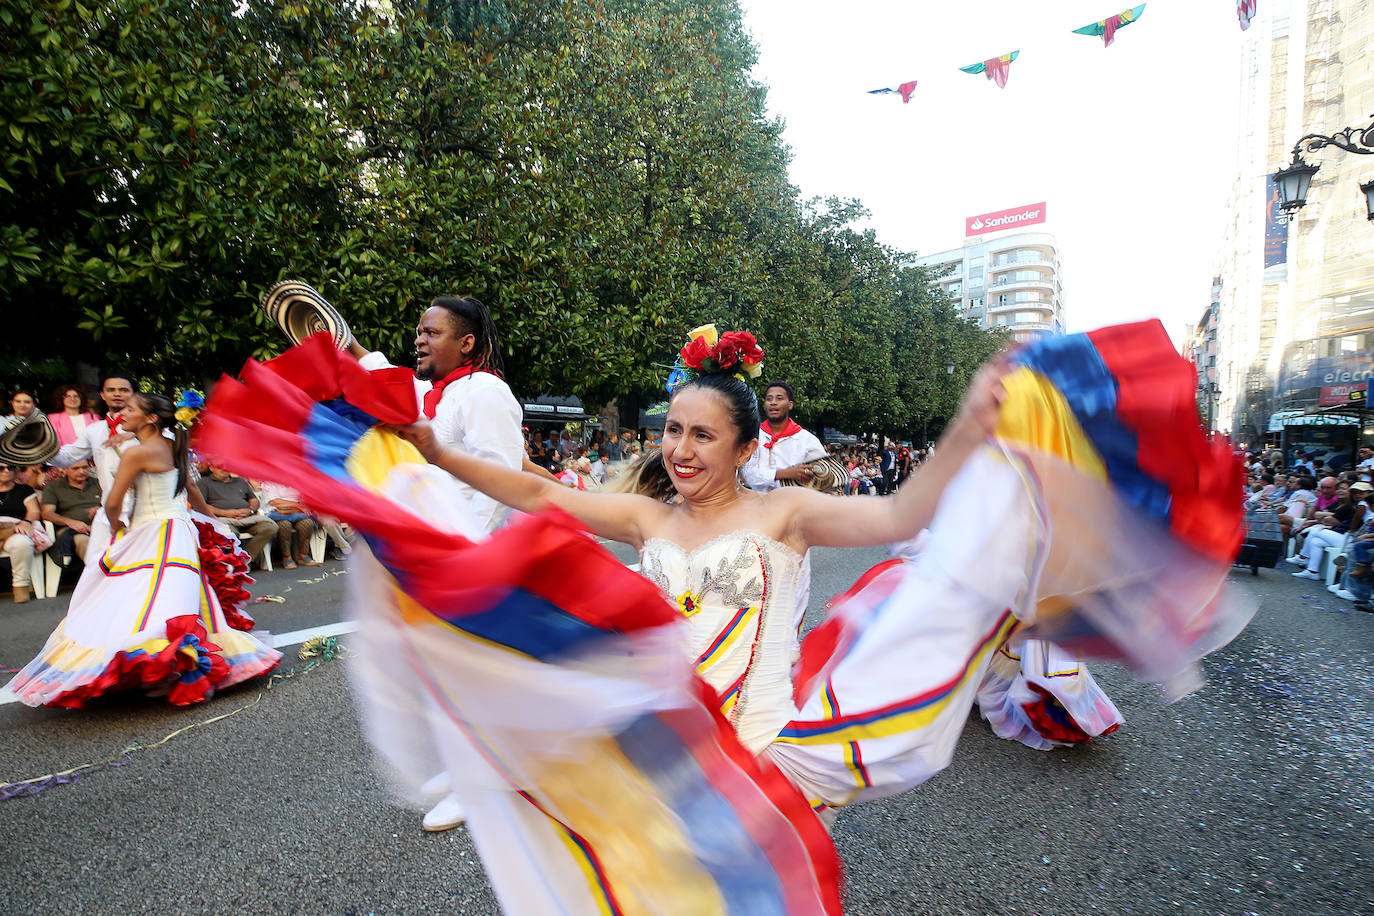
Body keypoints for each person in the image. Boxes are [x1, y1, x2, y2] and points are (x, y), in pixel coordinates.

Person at [348, 294, 525, 833]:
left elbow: (497, 477)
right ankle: (465, 762)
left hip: (472, 554)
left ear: (466, 343)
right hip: (425, 554)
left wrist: (459, 556)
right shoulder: (429, 392)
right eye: (419, 331)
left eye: (432, 332)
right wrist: (348, 343)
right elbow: (386, 387)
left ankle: (482, 778)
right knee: (440, 668)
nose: (419, 340)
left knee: (475, 670)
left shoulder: (486, 392)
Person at [5, 393, 280, 707]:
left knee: (145, 600)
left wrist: (118, 528)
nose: (123, 413)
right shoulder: (174, 443)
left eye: (131, 409)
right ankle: (177, 664)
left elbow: (112, 503)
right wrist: (212, 518)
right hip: (181, 529)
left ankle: (164, 666)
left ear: (150, 418)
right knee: (178, 599)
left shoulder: (137, 453)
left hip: (153, 532)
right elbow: (190, 488)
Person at [48, 374, 137, 563]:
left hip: (142, 509)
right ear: (102, 395)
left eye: (123, 390)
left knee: (138, 566)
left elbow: (169, 450)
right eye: (111, 390)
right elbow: (66, 457)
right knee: (95, 564)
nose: (117, 394)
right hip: (108, 509)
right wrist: (40, 446)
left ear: (134, 394)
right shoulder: (95, 430)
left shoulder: (148, 426)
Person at [741, 381, 827, 492]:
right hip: (757, 504)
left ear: (790, 405)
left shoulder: (807, 440)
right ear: (764, 405)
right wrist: (784, 474)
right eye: (769, 399)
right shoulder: (753, 436)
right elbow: (748, 475)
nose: (773, 403)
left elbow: (823, 475)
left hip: (794, 505)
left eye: (779, 398)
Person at [197, 466, 278, 567]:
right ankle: (233, 561)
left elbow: (254, 499)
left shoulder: (240, 481)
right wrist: (225, 513)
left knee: (270, 527)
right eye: (220, 466)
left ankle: (246, 558)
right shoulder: (204, 482)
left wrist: (250, 510)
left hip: (247, 517)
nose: (224, 468)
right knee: (229, 533)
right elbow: (202, 505)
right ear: (212, 468)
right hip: (222, 519)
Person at [41, 462, 103, 567]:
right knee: (84, 542)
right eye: (75, 468)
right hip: (72, 531)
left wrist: (101, 509)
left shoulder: (98, 483)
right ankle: (99, 576)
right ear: (65, 470)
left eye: (85, 467)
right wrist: (70, 522)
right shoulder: (54, 487)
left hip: (100, 526)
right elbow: (47, 513)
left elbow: (115, 504)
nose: (81, 471)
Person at [0, 461, 43, 603]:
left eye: (10, 467)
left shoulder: (24, 490)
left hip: (14, 529)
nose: (6, 470)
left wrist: (26, 522)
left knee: (22, 542)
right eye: (1, 468)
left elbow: (34, 511)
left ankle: (21, 586)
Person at [259, 480, 320, 569]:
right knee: (284, 525)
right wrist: (297, 505)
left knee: (307, 523)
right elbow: (274, 502)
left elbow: (304, 498)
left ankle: (303, 555)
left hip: (297, 512)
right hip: (277, 513)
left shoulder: (295, 480)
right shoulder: (269, 482)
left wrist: (299, 505)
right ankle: (286, 557)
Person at [48, 384, 99, 448]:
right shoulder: (53, 418)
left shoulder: (94, 417)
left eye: (76, 396)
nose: (72, 399)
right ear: (61, 399)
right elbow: (54, 442)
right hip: (66, 456)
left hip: (93, 455)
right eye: (68, 396)